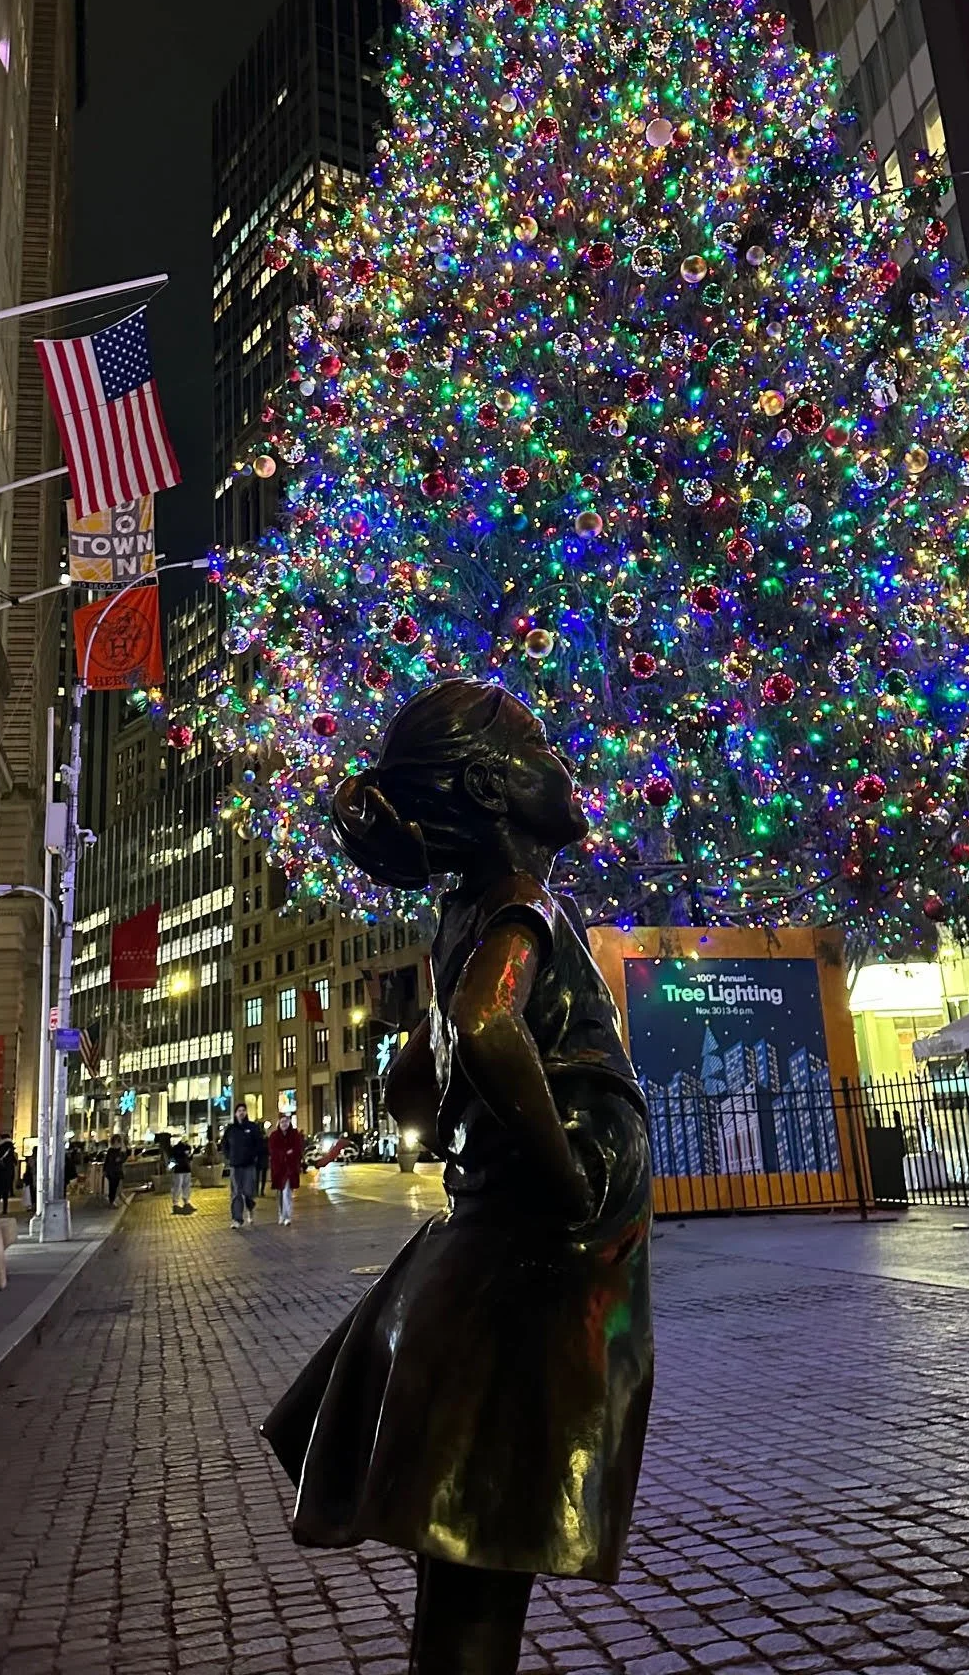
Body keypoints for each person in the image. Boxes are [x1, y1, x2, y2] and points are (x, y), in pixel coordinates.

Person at [261, 680, 653, 1675]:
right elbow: (484, 1024)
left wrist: (459, 1117)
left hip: (474, 1263)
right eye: (539, 744)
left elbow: (413, 1084)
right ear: (491, 783)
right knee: (485, 1554)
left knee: (466, 1552)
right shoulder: (519, 905)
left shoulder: (461, 917)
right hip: (528, 1268)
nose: (562, 760)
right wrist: (565, 1178)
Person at [221, 1104, 264, 1227]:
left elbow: (259, 1144)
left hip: (249, 1165)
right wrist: (229, 1156)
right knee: (236, 1193)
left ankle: (250, 1208)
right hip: (235, 1166)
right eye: (239, 1111)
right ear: (235, 1113)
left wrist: (255, 1156)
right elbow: (224, 1145)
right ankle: (237, 1219)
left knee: (248, 1191)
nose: (241, 1113)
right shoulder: (230, 1129)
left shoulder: (252, 1127)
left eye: (243, 1110)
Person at [268, 1111, 305, 1226]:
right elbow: (272, 1151)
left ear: (289, 1122)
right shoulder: (274, 1136)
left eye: (286, 1121)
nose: (284, 1124)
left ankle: (287, 1216)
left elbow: (298, 1149)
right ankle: (281, 1214)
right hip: (279, 1168)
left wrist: (289, 1154)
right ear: (279, 1123)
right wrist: (285, 1153)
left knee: (287, 1191)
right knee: (280, 1192)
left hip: (290, 1168)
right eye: (282, 1121)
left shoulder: (294, 1135)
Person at [168, 1135, 194, 1214]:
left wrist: (170, 1167)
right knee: (185, 1185)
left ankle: (176, 1202)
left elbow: (173, 1158)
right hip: (186, 1168)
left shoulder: (175, 1148)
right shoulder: (187, 1148)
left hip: (179, 1169)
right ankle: (185, 1200)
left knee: (178, 1186)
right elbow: (189, 1158)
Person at [102, 1136, 127, 1208]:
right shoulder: (110, 1150)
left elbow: (123, 1158)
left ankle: (114, 1200)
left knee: (117, 1186)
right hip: (111, 1171)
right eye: (115, 1141)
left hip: (117, 1171)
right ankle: (112, 1201)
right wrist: (104, 1170)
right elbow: (107, 1161)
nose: (116, 1142)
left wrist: (121, 1157)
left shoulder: (121, 1150)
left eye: (117, 1141)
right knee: (112, 1187)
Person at [255, 1121, 270, 1198]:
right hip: (262, 1158)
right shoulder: (264, 1138)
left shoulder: (257, 1138)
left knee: (258, 1176)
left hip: (259, 1158)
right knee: (261, 1176)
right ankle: (260, 1191)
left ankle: (258, 1191)